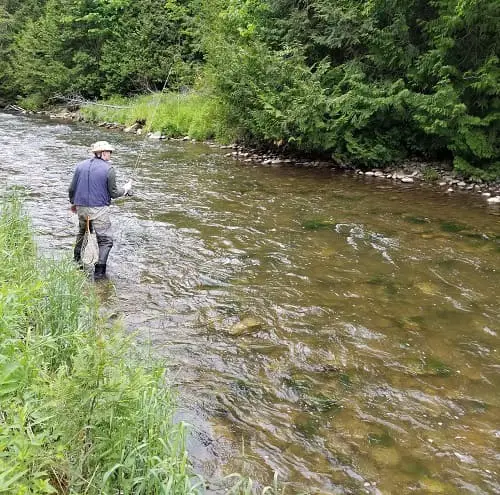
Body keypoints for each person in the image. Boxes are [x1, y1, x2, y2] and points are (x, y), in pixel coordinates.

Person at [68, 140, 132, 279]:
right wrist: (126, 190)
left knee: (83, 232)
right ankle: (99, 272)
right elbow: (114, 193)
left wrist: (74, 203)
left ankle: (76, 261)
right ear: (103, 153)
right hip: (98, 210)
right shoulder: (109, 169)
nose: (110, 154)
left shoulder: (80, 166)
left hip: (81, 208)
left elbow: (72, 189)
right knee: (105, 240)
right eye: (109, 152)